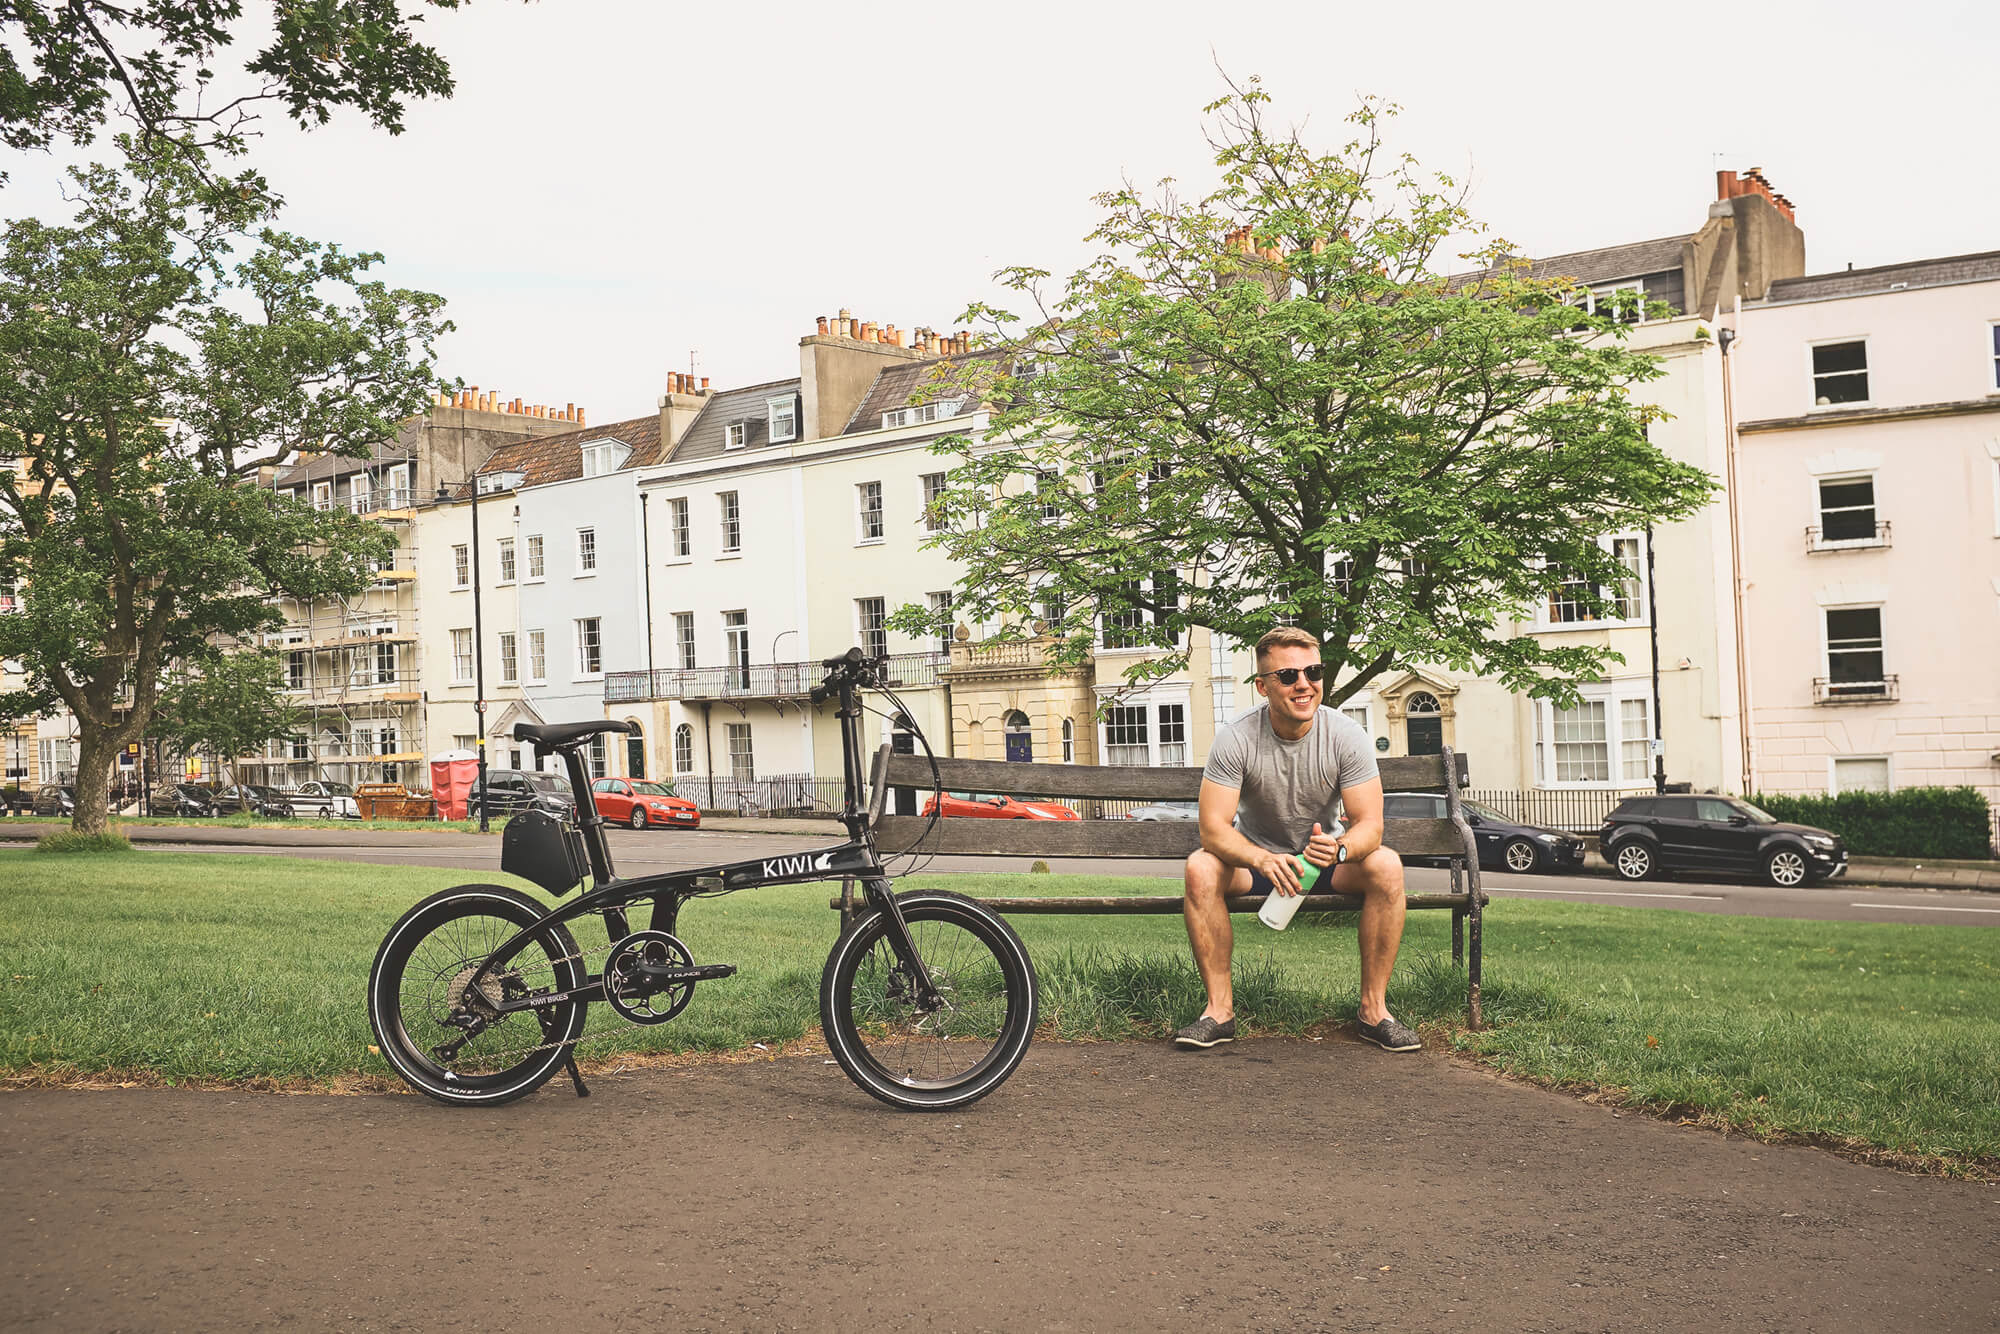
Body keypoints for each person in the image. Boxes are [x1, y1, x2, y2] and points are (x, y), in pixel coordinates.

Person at [1174, 626, 1419, 1052]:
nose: (1304, 684)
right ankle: (1219, 1012)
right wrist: (1262, 859)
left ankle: (1373, 1011)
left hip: (1324, 863)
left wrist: (1340, 848)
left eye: (1313, 671)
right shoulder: (1235, 737)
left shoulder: (1346, 736)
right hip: (1257, 868)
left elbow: (1370, 826)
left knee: (1386, 865)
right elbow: (1213, 829)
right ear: (1262, 686)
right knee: (1200, 867)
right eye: (1288, 676)